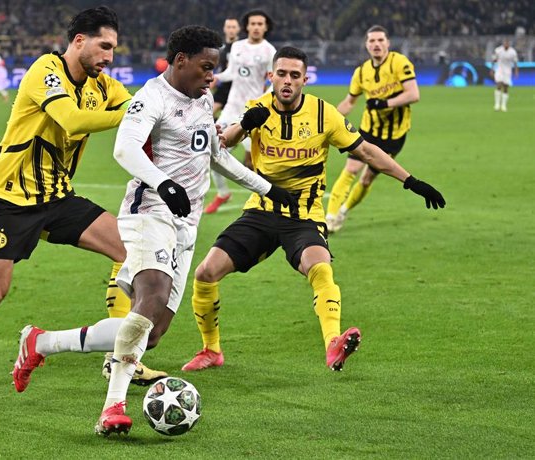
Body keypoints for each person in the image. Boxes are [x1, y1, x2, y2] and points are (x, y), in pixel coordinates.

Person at [10, 25, 296, 436]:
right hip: (149, 213)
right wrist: (163, 182)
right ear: (180, 61)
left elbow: (217, 155)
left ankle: (40, 342)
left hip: (186, 223)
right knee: (151, 299)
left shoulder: (201, 99)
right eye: (206, 67)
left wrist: (269, 189)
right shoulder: (150, 98)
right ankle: (112, 408)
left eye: (214, 68)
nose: (212, 76)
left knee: (153, 330)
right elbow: (124, 148)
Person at [0, 6, 163, 402]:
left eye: (113, 49)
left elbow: (139, 107)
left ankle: (120, 359)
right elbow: (73, 121)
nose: (109, 57)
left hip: (57, 197)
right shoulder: (44, 70)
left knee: (129, 250)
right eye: (103, 46)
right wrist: (126, 113)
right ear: (79, 41)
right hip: (10, 199)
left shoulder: (103, 86)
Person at [181, 46, 445, 373]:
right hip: (260, 212)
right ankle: (211, 350)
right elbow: (227, 143)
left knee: (319, 268)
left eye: (295, 75)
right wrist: (244, 125)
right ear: (271, 76)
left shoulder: (324, 114)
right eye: (282, 74)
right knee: (206, 273)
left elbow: (366, 151)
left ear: (305, 79)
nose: (288, 81)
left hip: (304, 215)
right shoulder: (259, 107)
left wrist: (411, 181)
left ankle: (333, 343)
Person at [325, 25, 420, 233]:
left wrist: (385, 103)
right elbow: (349, 102)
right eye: (372, 41)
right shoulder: (361, 72)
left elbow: (413, 94)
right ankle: (329, 217)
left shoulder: (399, 63)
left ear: (387, 43)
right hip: (368, 131)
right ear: (366, 45)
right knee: (350, 169)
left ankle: (344, 210)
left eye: (380, 40)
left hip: (394, 135)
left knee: (367, 179)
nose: (376, 44)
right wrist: (328, 120)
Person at [205, 10, 276, 214]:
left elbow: (273, 83)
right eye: (252, 23)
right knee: (214, 150)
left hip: (251, 112)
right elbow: (232, 73)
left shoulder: (269, 51)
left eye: (260, 24)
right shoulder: (236, 47)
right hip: (231, 108)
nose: (256, 27)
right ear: (247, 26)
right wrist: (217, 77)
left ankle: (265, 201)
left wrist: (262, 102)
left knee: (253, 162)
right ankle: (222, 193)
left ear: (265, 27)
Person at [212, 17, 240, 118]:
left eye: (233, 27)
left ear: (238, 29)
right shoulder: (222, 49)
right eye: (229, 27)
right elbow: (221, 67)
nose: (231, 30)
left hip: (238, 87)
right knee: (209, 114)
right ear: (224, 29)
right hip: (224, 87)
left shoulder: (241, 47)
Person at [491, 38, 518, 112]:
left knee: (506, 88)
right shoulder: (498, 50)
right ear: (503, 43)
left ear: (509, 44)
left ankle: (503, 106)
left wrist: (516, 71)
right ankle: (497, 105)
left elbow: (515, 62)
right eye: (505, 43)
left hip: (507, 71)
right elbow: (494, 60)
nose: (506, 44)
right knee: (499, 85)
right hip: (499, 69)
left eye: (507, 43)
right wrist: (492, 69)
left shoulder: (513, 52)